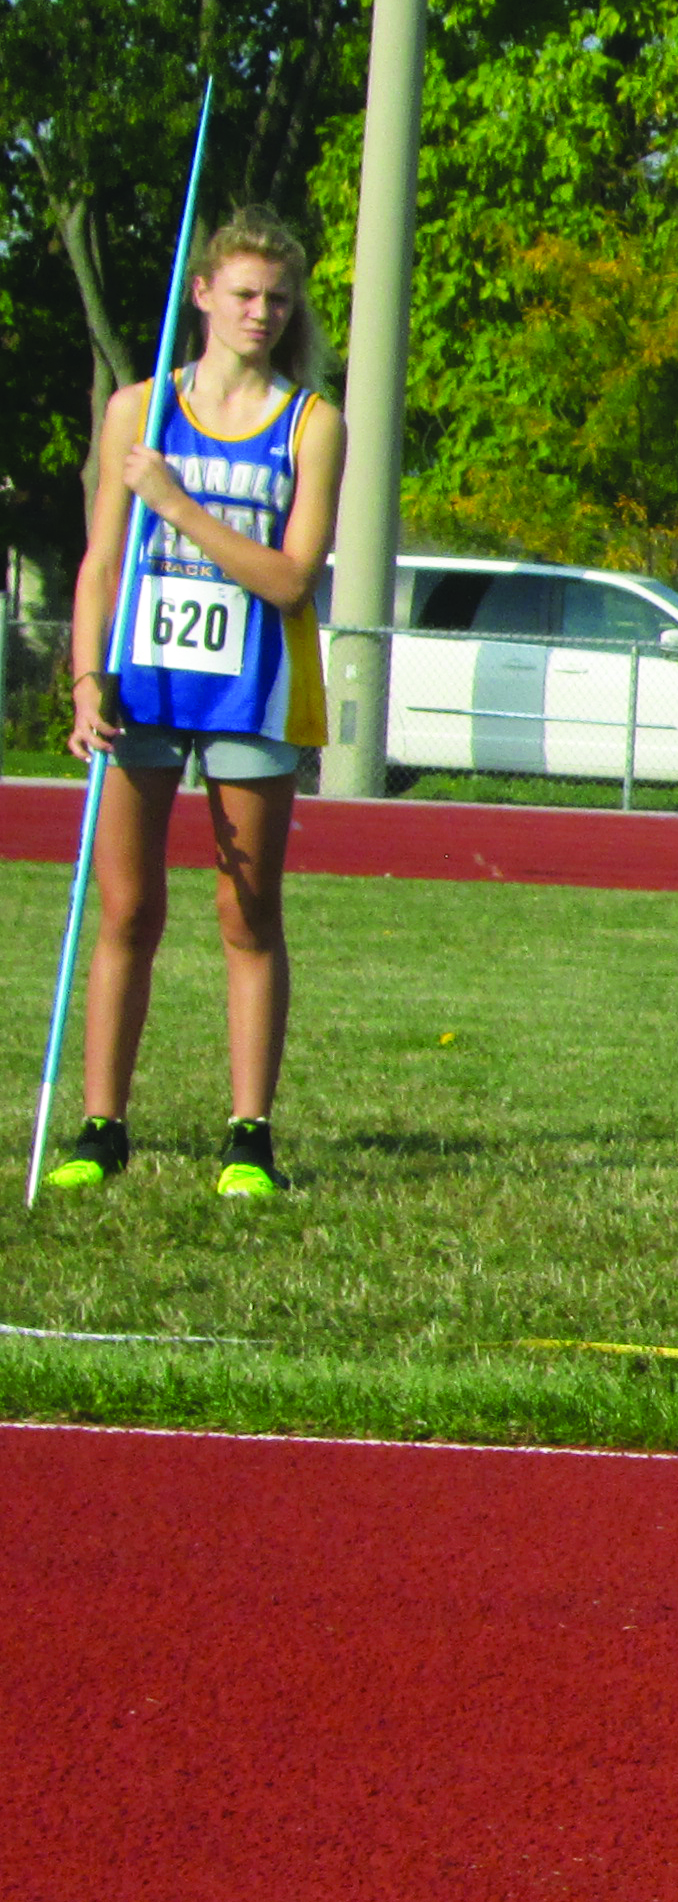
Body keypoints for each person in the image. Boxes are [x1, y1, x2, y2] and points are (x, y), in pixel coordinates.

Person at [53, 207, 347, 1199]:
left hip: (252, 691)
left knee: (246, 909)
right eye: (245, 295)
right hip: (142, 685)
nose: (262, 313)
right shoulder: (139, 411)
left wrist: (180, 506)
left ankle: (250, 1134)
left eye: (278, 298)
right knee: (128, 908)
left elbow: (292, 578)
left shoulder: (312, 423)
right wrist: (87, 680)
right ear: (205, 295)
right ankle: (102, 1125)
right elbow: (99, 563)